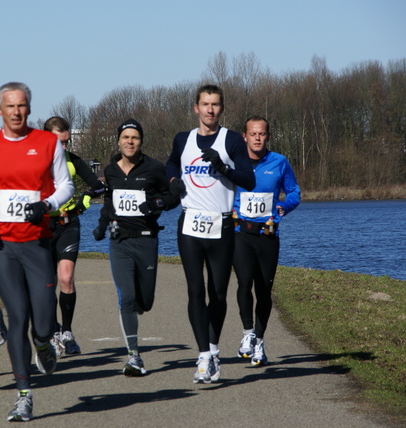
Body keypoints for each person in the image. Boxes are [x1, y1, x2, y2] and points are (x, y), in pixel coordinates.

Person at [0, 82, 74, 422]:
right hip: (1, 246)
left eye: (22, 105)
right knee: (17, 316)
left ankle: (43, 344)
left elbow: (65, 183)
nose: (16, 112)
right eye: (10, 106)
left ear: (29, 108)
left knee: (43, 322)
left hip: (37, 243)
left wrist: (47, 203)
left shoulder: (47, 142)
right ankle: (24, 395)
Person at [165, 84, 256, 384]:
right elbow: (169, 164)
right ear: (196, 107)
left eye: (215, 105)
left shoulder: (231, 140)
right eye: (205, 104)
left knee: (217, 293)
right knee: (195, 291)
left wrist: (224, 168)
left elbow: (249, 179)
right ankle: (204, 356)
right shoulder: (183, 139)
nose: (210, 110)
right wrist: (174, 179)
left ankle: (213, 350)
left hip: (221, 225)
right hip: (190, 223)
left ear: (221, 108)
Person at [93, 118, 177, 377]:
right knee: (126, 296)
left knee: (145, 301)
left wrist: (156, 205)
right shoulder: (111, 171)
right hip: (119, 241)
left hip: (146, 240)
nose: (130, 142)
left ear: (141, 142)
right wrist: (101, 223)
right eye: (126, 137)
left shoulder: (154, 168)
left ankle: (140, 304)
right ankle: (134, 356)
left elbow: (173, 196)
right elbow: (109, 201)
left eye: (135, 138)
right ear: (118, 141)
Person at [233, 116, 300, 366]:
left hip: (268, 236)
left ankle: (260, 342)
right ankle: (247, 333)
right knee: (243, 282)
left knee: (264, 289)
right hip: (241, 233)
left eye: (262, 134)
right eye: (253, 134)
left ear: (268, 137)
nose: (257, 138)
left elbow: (294, 192)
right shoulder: (235, 163)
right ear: (245, 136)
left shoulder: (279, 162)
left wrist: (283, 206)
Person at [43, 116, 106, 357]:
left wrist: (85, 198)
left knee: (66, 279)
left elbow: (100, 186)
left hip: (68, 225)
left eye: (67, 142)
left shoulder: (72, 161)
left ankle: (67, 332)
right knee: (46, 286)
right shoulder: (34, 161)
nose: (64, 148)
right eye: (60, 143)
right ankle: (52, 332)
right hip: (41, 228)